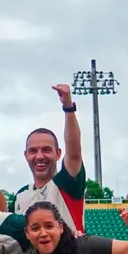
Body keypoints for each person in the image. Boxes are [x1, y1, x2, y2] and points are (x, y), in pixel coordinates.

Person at [14, 84, 86, 232]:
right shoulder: (21, 194)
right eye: (33, 151)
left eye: (46, 150)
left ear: (58, 154)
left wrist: (68, 107)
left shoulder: (66, 183)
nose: (39, 156)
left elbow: (74, 153)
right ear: (26, 155)